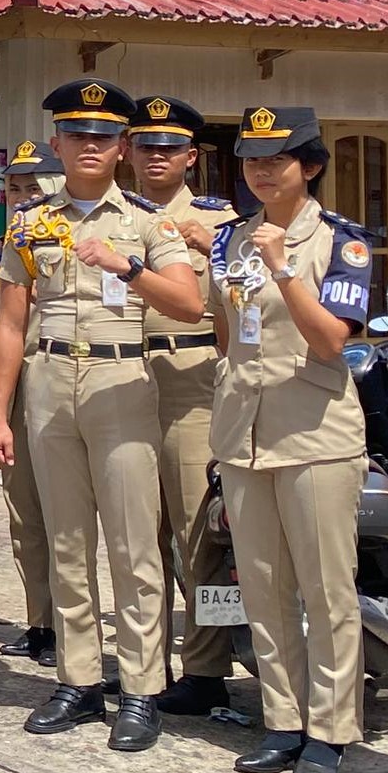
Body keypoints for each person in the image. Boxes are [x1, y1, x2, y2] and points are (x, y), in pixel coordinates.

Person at [0, 79, 198, 753]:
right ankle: (78, 681)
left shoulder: (144, 221)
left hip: (120, 379)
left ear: (120, 148)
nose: (89, 146)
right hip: (49, 380)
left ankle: (140, 688)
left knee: (134, 543)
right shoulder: (28, 222)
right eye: (77, 135)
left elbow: (189, 305)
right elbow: (10, 325)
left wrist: (124, 266)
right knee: (67, 540)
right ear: (56, 144)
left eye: (103, 137)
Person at [207, 106, 374, 773]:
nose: (260, 171)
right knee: (264, 586)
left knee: (324, 588)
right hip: (242, 430)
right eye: (250, 159)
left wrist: (281, 269)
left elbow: (333, 340)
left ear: (308, 166)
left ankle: (329, 731)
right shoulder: (229, 239)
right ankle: (282, 719)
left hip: (314, 433)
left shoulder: (341, 242)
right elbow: (228, 334)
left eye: (276, 159)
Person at [126, 95, 242, 717]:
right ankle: (146, 665)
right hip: (123, 374)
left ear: (191, 156)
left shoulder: (219, 220)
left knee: (198, 532)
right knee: (137, 532)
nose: (155, 157)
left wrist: (214, 245)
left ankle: (205, 666)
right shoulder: (112, 216)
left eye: (168, 147)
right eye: (145, 146)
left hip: (192, 372)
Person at [0, 140, 63, 668]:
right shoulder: (4, 248)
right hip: (16, 390)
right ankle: (40, 622)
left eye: (33, 187)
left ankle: (70, 627)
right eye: (15, 187)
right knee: (25, 513)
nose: (22, 197)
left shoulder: (72, 241)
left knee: (69, 517)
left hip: (62, 382)